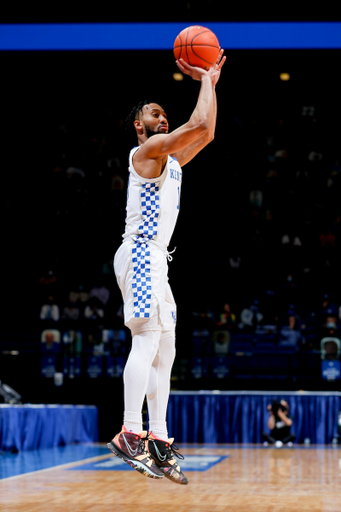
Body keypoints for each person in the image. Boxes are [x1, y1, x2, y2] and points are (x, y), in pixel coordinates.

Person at [107, 51, 226, 485]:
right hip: (140, 251)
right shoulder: (148, 151)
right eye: (154, 113)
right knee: (147, 338)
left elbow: (207, 132)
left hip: (157, 258)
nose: (162, 117)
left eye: (164, 113)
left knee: (166, 349)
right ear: (140, 125)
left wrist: (209, 79)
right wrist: (203, 78)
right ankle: (129, 431)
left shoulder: (171, 162)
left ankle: (157, 438)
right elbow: (194, 126)